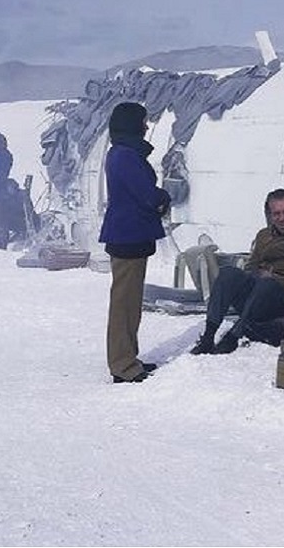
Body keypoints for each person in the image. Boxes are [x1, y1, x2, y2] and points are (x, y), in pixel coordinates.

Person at [191, 188, 284, 355]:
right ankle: (208, 337)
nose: (281, 218)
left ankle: (234, 336)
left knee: (267, 284)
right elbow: (251, 266)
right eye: (276, 214)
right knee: (228, 273)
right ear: (269, 215)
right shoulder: (264, 235)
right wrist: (255, 275)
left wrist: (275, 278)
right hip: (258, 294)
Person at [99, 102, 172, 384]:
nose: (145, 126)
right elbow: (145, 194)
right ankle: (123, 365)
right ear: (131, 124)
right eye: (143, 121)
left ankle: (128, 357)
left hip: (129, 235)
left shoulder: (121, 152)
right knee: (124, 304)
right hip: (128, 235)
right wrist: (162, 196)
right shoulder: (126, 155)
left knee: (129, 303)